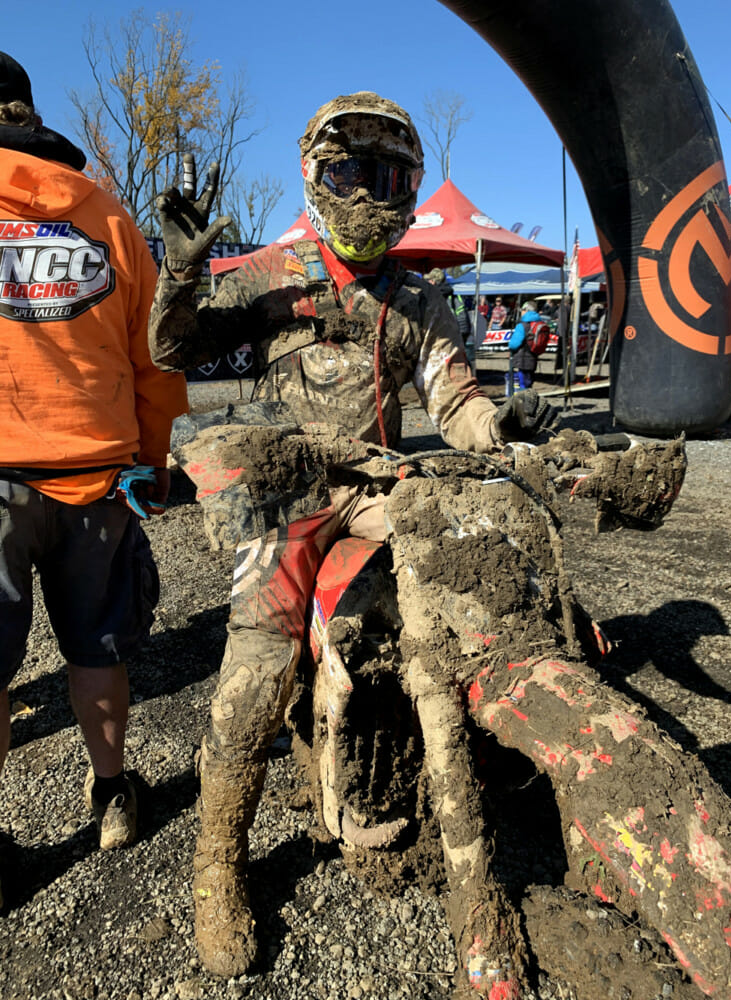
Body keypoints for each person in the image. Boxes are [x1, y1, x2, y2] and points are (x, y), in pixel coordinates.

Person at [148, 90, 554, 978]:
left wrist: (502, 430)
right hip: (281, 484)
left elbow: (455, 400)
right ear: (313, 175)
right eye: (348, 170)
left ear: (411, 184)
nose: (367, 191)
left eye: (387, 173)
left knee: (467, 570)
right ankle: (217, 864)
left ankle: (474, 759)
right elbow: (172, 352)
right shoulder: (272, 277)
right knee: (258, 660)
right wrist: (179, 275)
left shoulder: (418, 299)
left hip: (371, 479)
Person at [0, 51, 188, 906]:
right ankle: (113, 793)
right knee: (97, 647)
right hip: (97, 476)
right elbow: (158, 362)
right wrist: (149, 459)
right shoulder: (109, 218)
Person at [424, 267, 474, 366]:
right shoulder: (453, 294)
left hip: (446, 333)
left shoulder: (435, 296)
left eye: (428, 280)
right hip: (461, 331)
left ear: (433, 281)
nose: (427, 282)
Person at [508, 299, 542, 390]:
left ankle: (525, 402)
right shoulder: (538, 323)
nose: (521, 312)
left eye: (522, 310)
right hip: (533, 357)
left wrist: (510, 346)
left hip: (522, 358)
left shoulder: (522, 325)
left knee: (523, 384)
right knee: (529, 382)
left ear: (526, 311)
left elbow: (514, 344)